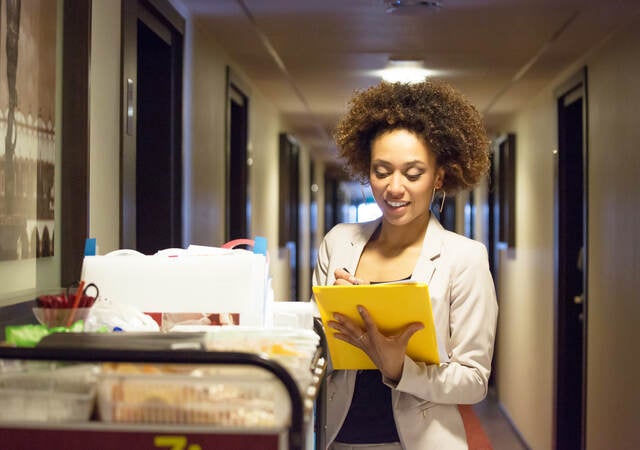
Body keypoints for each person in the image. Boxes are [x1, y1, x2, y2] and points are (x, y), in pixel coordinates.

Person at [312, 79, 498, 450]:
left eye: (413, 174)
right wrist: (334, 323)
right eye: (382, 171)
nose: (394, 188)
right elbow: (314, 352)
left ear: (439, 176)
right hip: (337, 439)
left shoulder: (464, 257)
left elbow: (474, 380)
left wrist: (399, 368)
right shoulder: (338, 242)